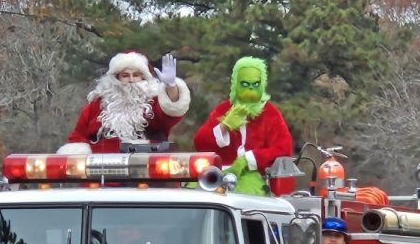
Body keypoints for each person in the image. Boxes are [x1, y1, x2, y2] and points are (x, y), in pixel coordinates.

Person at [193, 56, 292, 195]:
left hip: (254, 178)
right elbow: (200, 143)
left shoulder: (270, 113)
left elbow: (284, 147)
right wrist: (224, 126)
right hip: (218, 175)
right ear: (236, 83)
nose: (250, 89)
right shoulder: (224, 109)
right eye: (245, 84)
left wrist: (249, 159)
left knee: (248, 193)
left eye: (255, 84)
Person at [60, 51, 191, 154]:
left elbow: (171, 113)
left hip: (146, 171)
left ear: (143, 77)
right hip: (100, 174)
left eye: (136, 75)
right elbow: (78, 136)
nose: (131, 80)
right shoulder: (97, 104)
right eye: (125, 75)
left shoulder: (153, 101)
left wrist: (171, 86)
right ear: (116, 78)